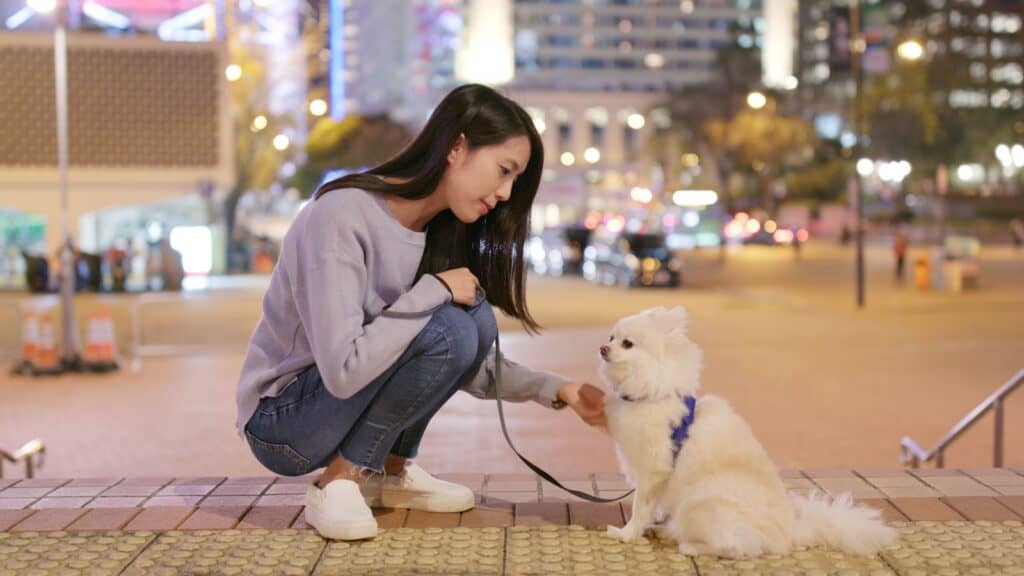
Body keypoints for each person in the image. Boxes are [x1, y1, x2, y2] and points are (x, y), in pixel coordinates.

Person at [235, 84, 606, 541]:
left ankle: (389, 472)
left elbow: (465, 363)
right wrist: (431, 291)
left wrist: (561, 390)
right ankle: (341, 479)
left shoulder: (438, 232)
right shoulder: (341, 216)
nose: (507, 193)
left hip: (334, 406)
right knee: (449, 323)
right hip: (282, 421)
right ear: (457, 147)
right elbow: (343, 372)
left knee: (474, 321)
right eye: (503, 171)